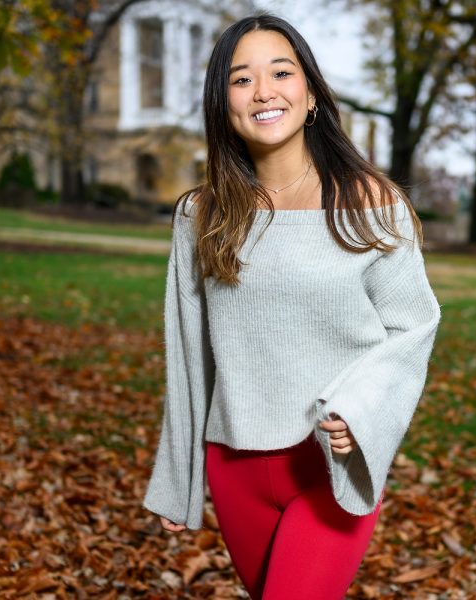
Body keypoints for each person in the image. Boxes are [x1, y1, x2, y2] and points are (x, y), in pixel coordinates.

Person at [142, 12, 442, 599]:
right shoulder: (201, 215)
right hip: (235, 469)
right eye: (241, 78)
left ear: (309, 95)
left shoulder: (371, 204)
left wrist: (361, 410)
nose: (263, 90)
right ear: (222, 103)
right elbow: (187, 354)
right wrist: (179, 478)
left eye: (281, 71)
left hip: (328, 468)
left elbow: (413, 324)